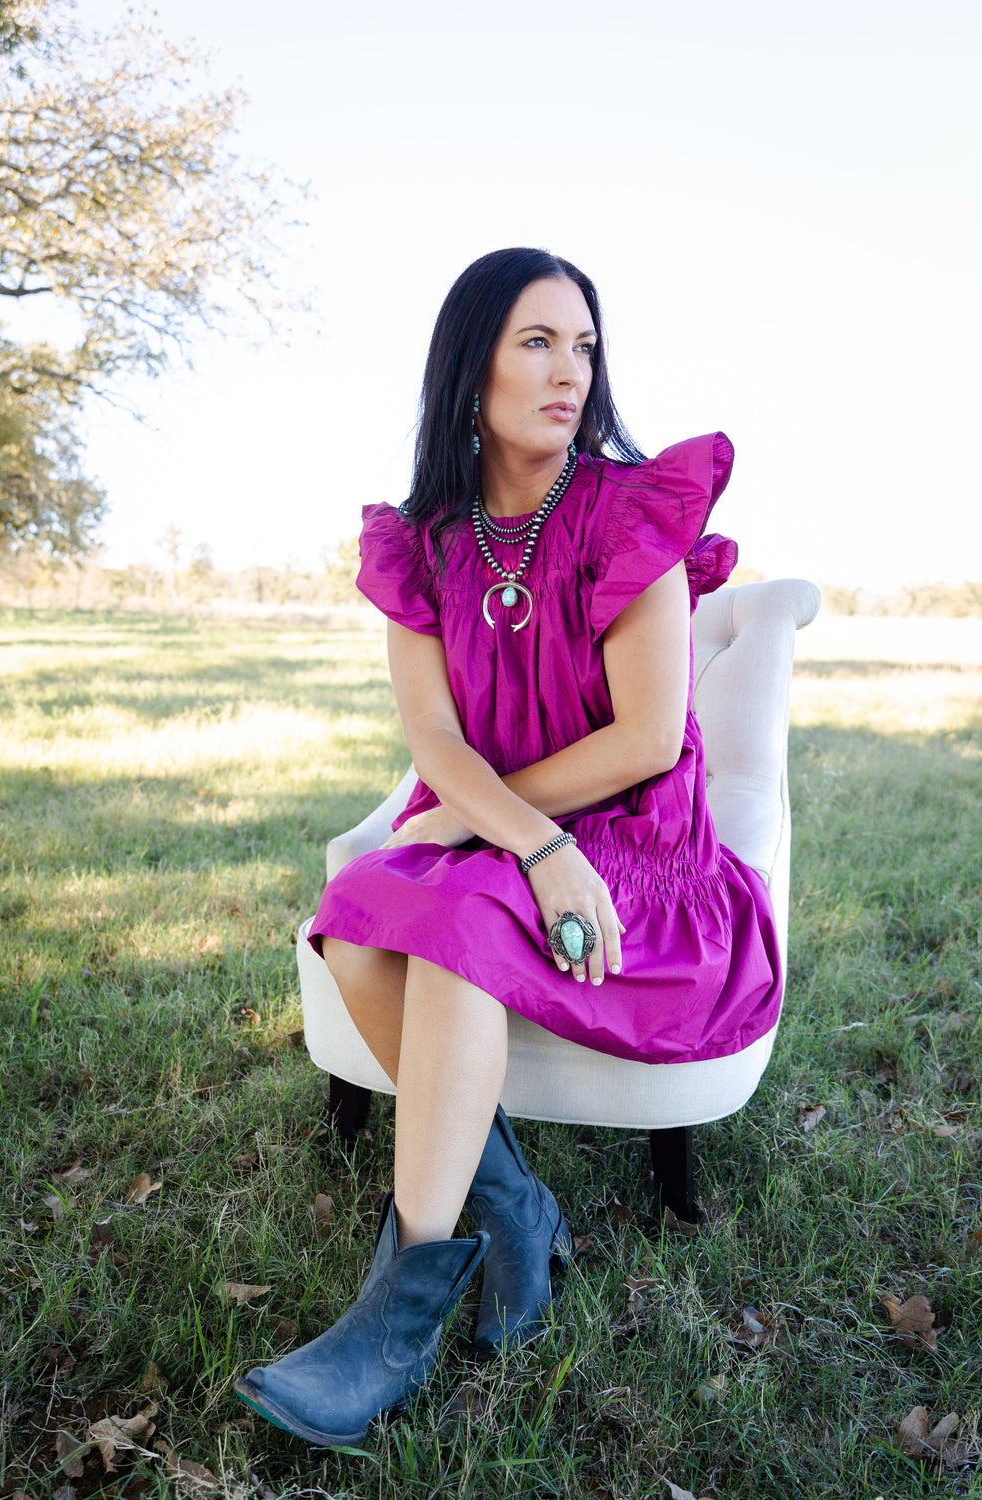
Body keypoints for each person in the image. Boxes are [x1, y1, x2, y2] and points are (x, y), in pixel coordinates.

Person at [234, 247, 782, 1447]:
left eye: (583, 345)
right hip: (520, 839)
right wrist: (521, 837)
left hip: (642, 862)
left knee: (450, 927)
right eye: (538, 341)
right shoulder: (425, 543)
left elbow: (644, 741)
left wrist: (511, 836)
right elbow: (431, 733)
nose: (568, 371)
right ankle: (518, 1209)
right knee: (350, 926)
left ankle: (398, 1306)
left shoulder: (628, 515)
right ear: (469, 364)